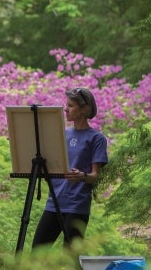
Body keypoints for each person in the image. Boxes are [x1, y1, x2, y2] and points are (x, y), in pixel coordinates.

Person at [32, 87, 108, 251]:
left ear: (84, 109)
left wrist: (82, 176)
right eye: (66, 105)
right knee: (37, 254)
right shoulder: (61, 135)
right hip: (54, 203)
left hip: (77, 206)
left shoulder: (97, 138)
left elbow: (95, 176)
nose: (65, 109)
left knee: (70, 259)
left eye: (71, 105)